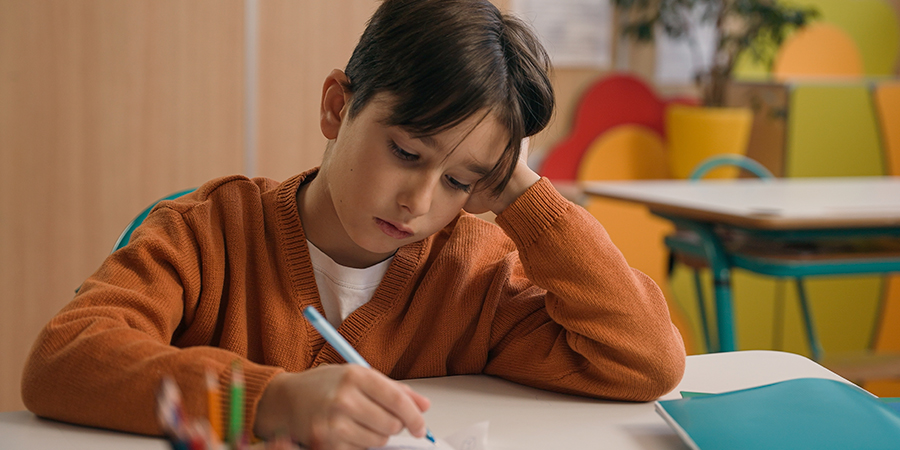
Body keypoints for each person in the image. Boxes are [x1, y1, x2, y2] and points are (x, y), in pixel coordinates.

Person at [21, 0, 686, 449]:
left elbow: (644, 361)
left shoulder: (475, 274)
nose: (418, 201)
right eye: (406, 152)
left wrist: (525, 197)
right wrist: (273, 400)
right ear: (338, 107)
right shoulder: (208, 233)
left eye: (459, 179)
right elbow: (63, 361)